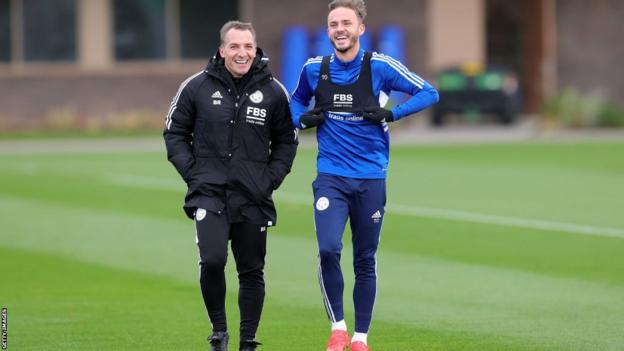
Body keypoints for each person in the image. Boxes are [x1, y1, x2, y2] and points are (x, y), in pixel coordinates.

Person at [290, 1, 439, 350]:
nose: (339, 29)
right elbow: (296, 101)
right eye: (332, 24)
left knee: (365, 258)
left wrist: (392, 114)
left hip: (371, 177)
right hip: (331, 176)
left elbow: (429, 92)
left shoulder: (381, 66)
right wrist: (301, 119)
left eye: (346, 22)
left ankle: (360, 338)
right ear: (328, 31)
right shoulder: (314, 69)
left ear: (360, 29)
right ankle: (338, 327)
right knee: (328, 249)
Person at [164, 20, 297, 351]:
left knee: (251, 271)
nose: (242, 53)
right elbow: (174, 133)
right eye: (235, 47)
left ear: (256, 49)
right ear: (222, 49)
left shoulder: (273, 92)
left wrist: (269, 179)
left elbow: (287, 141)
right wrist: (194, 175)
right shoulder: (196, 87)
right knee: (212, 260)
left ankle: (248, 341)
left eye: (248, 47)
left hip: (253, 196)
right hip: (208, 193)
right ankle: (219, 332)